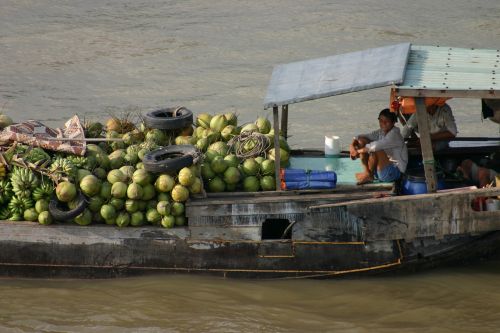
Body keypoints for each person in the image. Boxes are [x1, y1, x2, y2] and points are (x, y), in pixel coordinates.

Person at [349, 108, 408, 185]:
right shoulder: (381, 131)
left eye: (386, 122)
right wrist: (352, 145)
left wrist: (357, 152)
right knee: (362, 140)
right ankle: (367, 173)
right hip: (381, 169)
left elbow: (375, 146)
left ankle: (368, 175)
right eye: (381, 121)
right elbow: (361, 136)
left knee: (376, 149)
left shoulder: (394, 134)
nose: (383, 124)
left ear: (393, 122)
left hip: (394, 172)